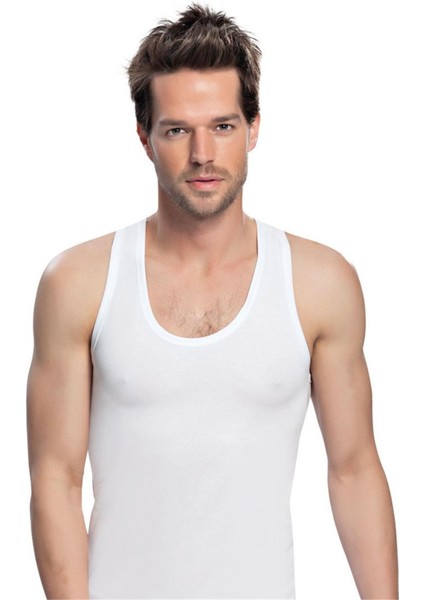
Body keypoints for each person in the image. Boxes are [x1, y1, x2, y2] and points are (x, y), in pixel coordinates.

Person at [26, 4, 398, 599]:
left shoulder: (321, 283)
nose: (203, 154)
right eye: (177, 130)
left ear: (254, 128)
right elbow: (55, 480)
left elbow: (354, 469)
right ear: (145, 137)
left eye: (222, 126)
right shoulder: (78, 282)